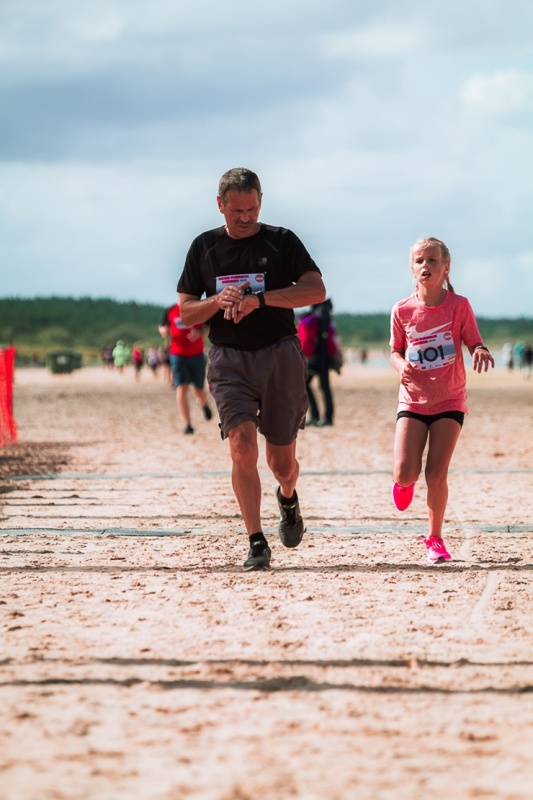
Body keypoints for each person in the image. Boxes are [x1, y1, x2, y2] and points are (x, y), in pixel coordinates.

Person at [177, 167, 326, 571]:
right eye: (237, 210)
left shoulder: (281, 241)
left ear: (261, 200)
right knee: (242, 447)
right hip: (229, 359)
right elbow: (186, 312)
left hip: (280, 355)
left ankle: (288, 498)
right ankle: (256, 541)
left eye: (252, 208)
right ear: (220, 204)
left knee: (282, 463)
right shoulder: (204, 247)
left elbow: (316, 289)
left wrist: (260, 300)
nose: (245, 217)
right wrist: (217, 301)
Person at [390, 236, 494, 564]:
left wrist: (480, 350)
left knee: (436, 473)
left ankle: (434, 538)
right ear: (412, 267)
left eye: (432, 260)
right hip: (413, 400)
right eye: (420, 261)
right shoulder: (402, 310)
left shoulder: (459, 306)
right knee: (406, 472)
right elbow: (394, 350)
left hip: (450, 398)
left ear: (446, 267)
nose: (426, 266)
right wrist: (401, 364)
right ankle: (403, 482)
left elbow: (474, 341)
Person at [159, 298, 213, 434]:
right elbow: (162, 326)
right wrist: (163, 331)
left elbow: (207, 328)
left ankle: (204, 404)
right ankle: (187, 424)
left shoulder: (200, 308)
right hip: (177, 355)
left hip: (197, 355)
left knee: (198, 389)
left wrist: (200, 333)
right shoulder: (170, 310)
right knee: (181, 388)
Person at [298, 299, 337, 426]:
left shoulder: (316, 315)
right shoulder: (325, 315)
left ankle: (316, 416)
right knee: (324, 386)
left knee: (306, 384)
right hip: (324, 356)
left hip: (316, 357)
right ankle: (327, 418)